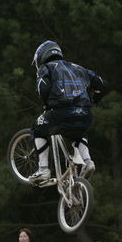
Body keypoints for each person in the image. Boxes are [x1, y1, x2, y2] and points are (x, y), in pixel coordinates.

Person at [27, 41, 106, 183]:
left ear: (42, 57)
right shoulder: (79, 68)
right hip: (85, 114)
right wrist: (94, 101)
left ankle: (43, 170)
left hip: (61, 113)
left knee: (37, 129)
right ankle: (88, 162)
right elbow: (100, 83)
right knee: (79, 133)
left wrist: (46, 105)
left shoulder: (46, 68)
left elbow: (42, 89)